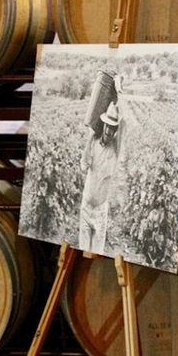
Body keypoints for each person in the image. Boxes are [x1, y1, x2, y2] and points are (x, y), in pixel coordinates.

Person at [78, 89, 124, 255]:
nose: (109, 132)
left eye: (113, 129)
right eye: (108, 127)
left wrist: (119, 92)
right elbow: (84, 166)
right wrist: (90, 137)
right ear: (103, 126)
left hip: (100, 211)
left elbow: (124, 123)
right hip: (86, 207)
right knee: (83, 251)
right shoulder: (94, 144)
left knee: (97, 253)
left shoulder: (115, 151)